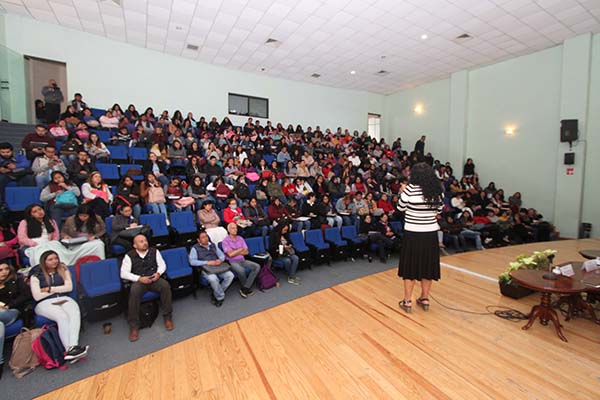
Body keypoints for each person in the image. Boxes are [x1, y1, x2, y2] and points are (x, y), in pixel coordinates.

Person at [397, 163, 443, 313]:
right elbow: (439, 210)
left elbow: (400, 208)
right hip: (430, 234)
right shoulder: (437, 191)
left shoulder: (410, 189)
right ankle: (424, 299)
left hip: (412, 233)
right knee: (427, 267)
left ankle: (407, 301)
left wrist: (403, 191)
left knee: (410, 268)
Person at [29, 250, 89, 360]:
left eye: (56, 258)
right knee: (62, 316)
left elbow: (69, 288)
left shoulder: (63, 270)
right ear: (44, 261)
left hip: (63, 298)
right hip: (44, 303)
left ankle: (73, 346)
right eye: (50, 259)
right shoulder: (36, 275)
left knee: (74, 312)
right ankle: (69, 349)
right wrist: (58, 290)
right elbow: (37, 296)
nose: (54, 261)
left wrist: (49, 289)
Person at [120, 234, 174, 342]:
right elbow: (123, 273)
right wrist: (139, 278)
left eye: (145, 240)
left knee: (165, 286)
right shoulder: (129, 256)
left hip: (154, 279)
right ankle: (134, 326)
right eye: (141, 241)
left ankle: (167, 317)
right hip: (140, 281)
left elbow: (162, 265)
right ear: (135, 245)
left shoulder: (154, 251)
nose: (145, 243)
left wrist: (158, 273)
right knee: (134, 291)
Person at [0, 262, 32, 376]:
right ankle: (0, 362)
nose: (4, 272)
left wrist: (9, 306)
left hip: (12, 312)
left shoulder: (16, 280)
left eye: (6, 269)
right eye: (0, 270)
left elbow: (26, 295)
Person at [188, 231, 234, 307]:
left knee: (230, 275)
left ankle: (216, 293)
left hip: (218, 266)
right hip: (207, 268)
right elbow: (192, 262)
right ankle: (220, 297)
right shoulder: (195, 248)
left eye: (206, 236)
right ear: (198, 240)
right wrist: (207, 262)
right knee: (213, 279)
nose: (205, 239)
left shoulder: (213, 245)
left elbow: (222, 255)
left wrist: (220, 260)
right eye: (203, 237)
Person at [221, 223, 259, 298]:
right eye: (233, 228)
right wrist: (240, 250)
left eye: (236, 228)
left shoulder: (240, 238)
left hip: (242, 260)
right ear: (228, 230)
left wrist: (235, 251)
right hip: (232, 262)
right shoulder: (225, 241)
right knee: (241, 271)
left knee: (257, 266)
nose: (235, 230)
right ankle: (246, 288)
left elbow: (247, 252)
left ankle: (245, 288)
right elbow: (230, 255)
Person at [268, 221, 301, 285]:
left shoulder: (286, 234)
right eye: (284, 230)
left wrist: (290, 245)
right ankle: (291, 276)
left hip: (286, 252)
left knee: (295, 258)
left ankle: (291, 276)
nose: (285, 231)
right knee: (287, 261)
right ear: (280, 228)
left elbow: (290, 242)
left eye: (286, 230)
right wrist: (282, 247)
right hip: (277, 254)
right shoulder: (273, 235)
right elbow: (271, 247)